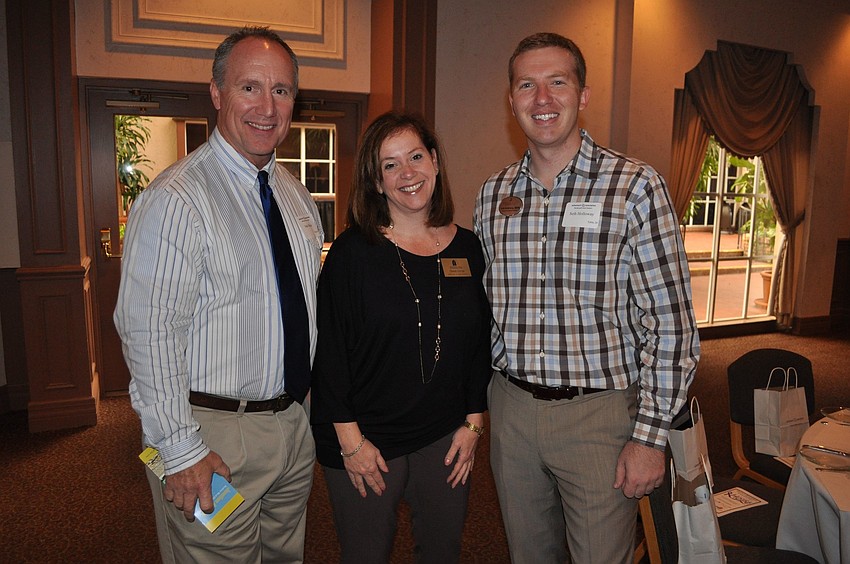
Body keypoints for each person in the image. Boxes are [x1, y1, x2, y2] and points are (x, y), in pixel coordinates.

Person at [473, 32, 700, 563]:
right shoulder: (493, 195)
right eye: (526, 85)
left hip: (600, 416)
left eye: (558, 82)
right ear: (511, 101)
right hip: (512, 410)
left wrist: (649, 438)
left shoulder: (635, 187)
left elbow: (672, 326)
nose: (542, 98)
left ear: (583, 94)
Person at [114, 26, 324, 563]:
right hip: (211, 437)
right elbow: (150, 334)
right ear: (216, 93)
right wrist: (180, 451)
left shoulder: (295, 196)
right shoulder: (177, 198)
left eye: (281, 90)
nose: (267, 107)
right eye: (250, 87)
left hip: (291, 427)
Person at [311, 111, 491, 563]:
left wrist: (474, 423)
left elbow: (477, 344)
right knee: (366, 555)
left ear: (434, 162)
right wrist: (350, 442)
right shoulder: (352, 253)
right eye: (390, 165)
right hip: (364, 437)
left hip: (445, 435)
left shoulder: (469, 248)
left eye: (415, 157)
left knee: (442, 552)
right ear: (376, 181)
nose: (407, 173)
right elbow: (329, 355)